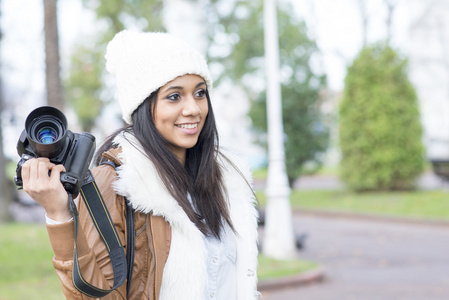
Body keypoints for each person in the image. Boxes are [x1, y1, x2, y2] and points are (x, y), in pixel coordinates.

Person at [21, 30, 259, 300]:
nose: (193, 108)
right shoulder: (115, 183)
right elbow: (95, 296)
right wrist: (59, 215)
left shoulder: (226, 181)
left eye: (200, 93)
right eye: (174, 96)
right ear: (144, 106)